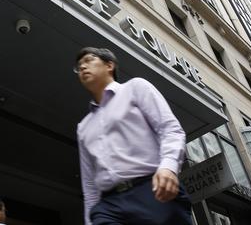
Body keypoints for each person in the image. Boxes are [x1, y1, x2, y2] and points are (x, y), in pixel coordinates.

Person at [74, 47, 192, 225]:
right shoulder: (83, 127)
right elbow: (89, 181)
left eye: (89, 60)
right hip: (109, 205)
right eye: (79, 66)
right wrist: (89, 219)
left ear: (109, 65)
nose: (82, 67)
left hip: (152, 190)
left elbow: (170, 129)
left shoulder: (136, 88)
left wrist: (168, 167)